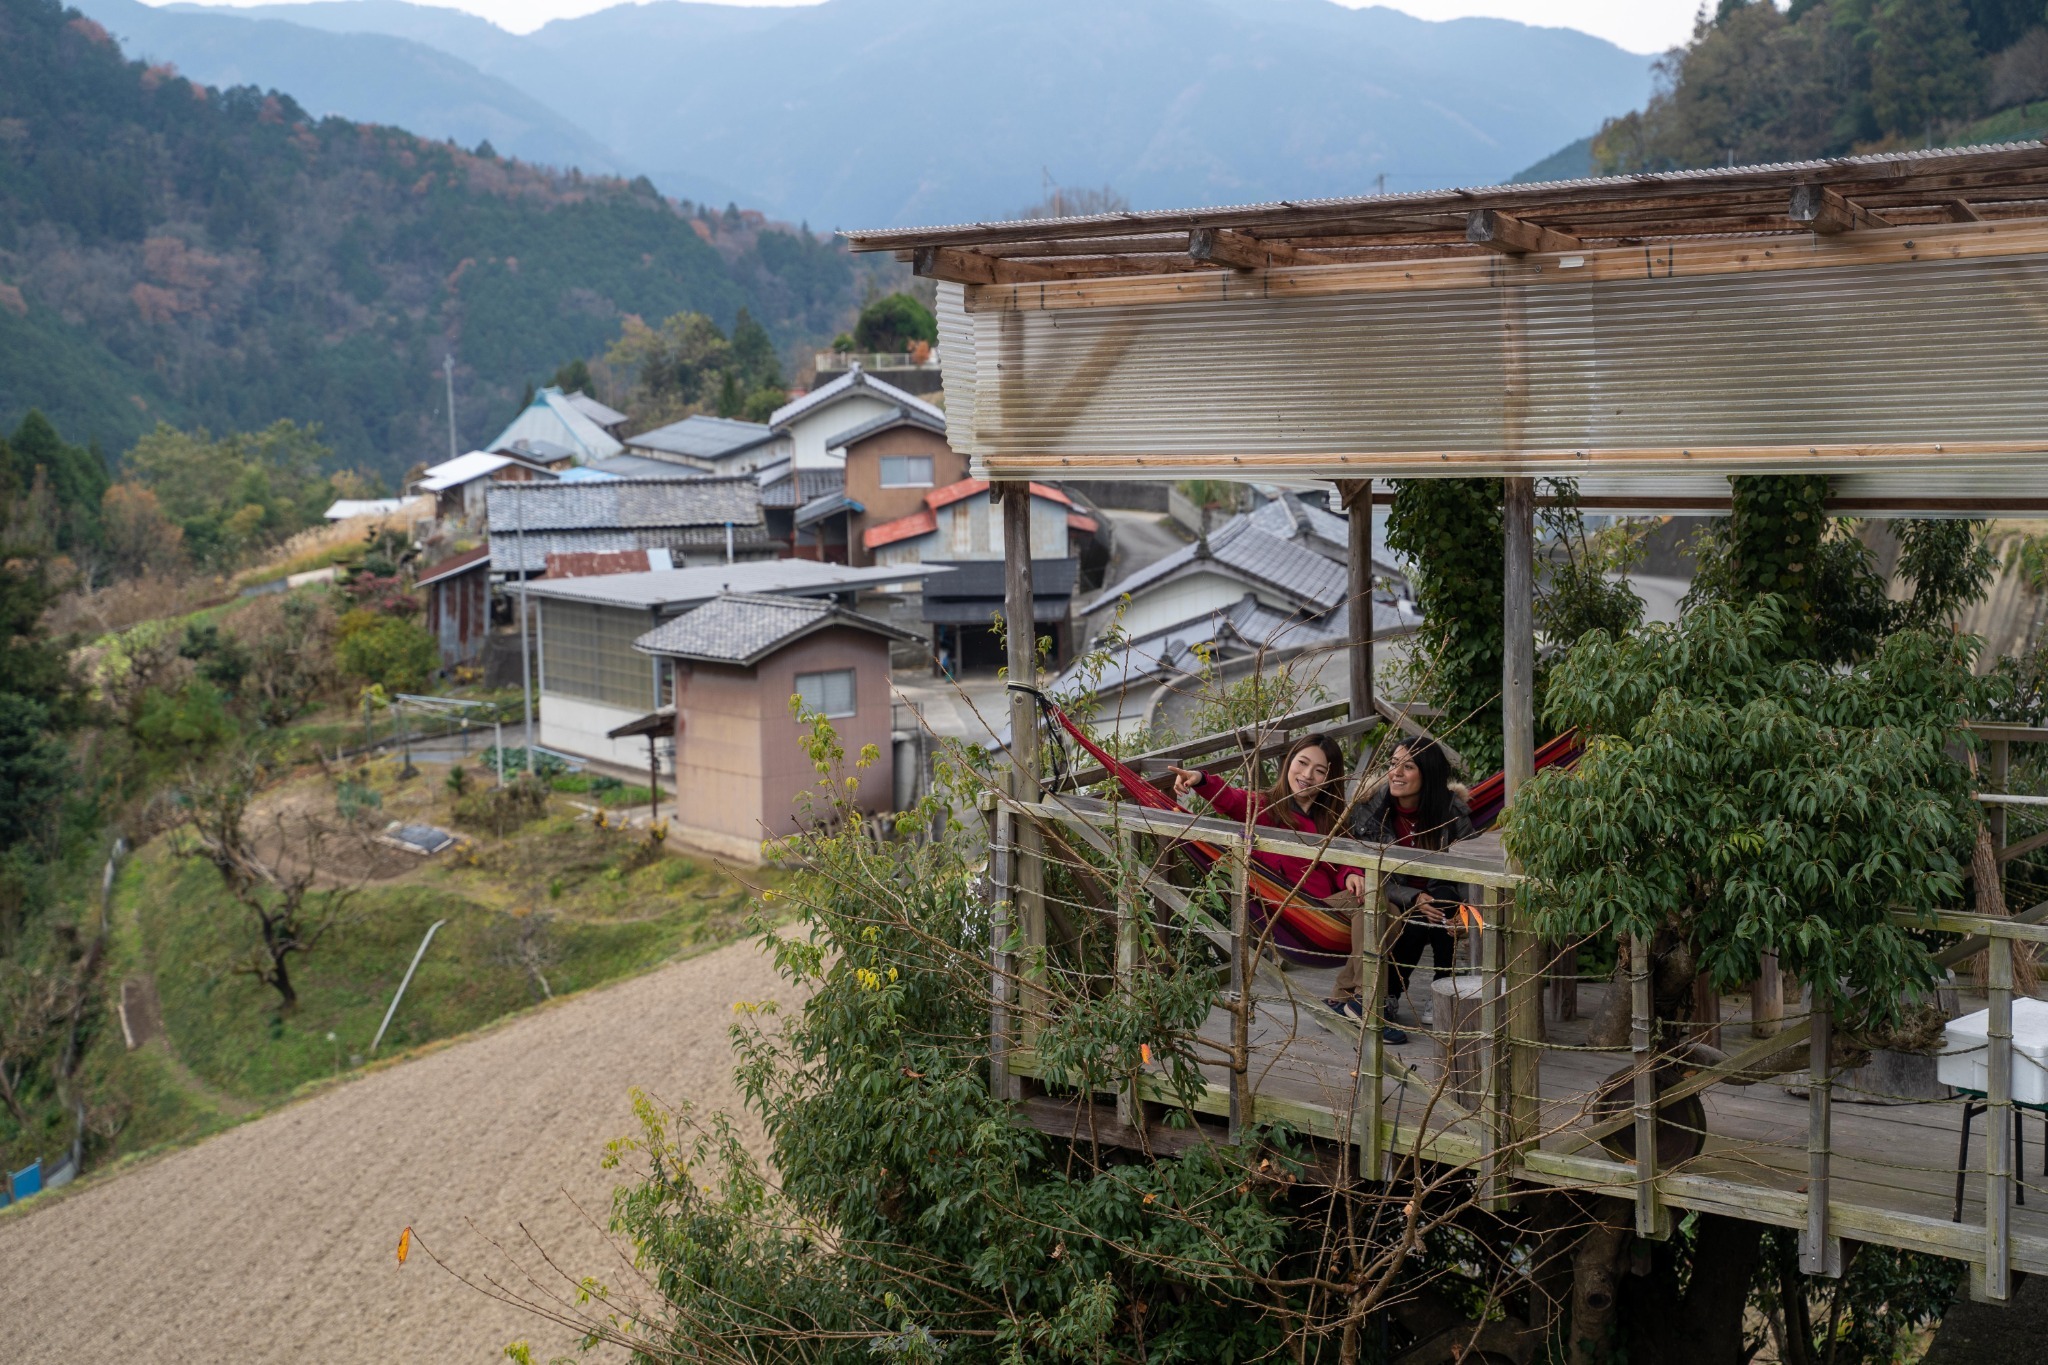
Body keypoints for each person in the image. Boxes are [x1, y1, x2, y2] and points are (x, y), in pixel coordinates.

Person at [1335, 736, 1475, 1044]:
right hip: (1394, 899)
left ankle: (1444, 987)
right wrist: (1413, 897)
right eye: (1392, 764)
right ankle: (1391, 994)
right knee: (1411, 912)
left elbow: (1472, 877)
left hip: (1442, 904)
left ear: (1428, 774)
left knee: (1443, 900)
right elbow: (1370, 871)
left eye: (1408, 766)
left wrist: (1466, 917)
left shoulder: (1453, 814)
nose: (1396, 773)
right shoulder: (1369, 811)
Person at [1166, 732, 1356, 909]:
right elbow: (1231, 799)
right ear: (1289, 761)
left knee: (1372, 898)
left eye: (1319, 770)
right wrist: (1200, 779)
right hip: (1292, 914)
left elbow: (1346, 860)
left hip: (1327, 914)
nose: (1307, 775)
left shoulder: (1330, 820)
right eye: (1303, 763)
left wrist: (1351, 873)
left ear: (1330, 778)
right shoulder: (1266, 807)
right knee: (1374, 909)